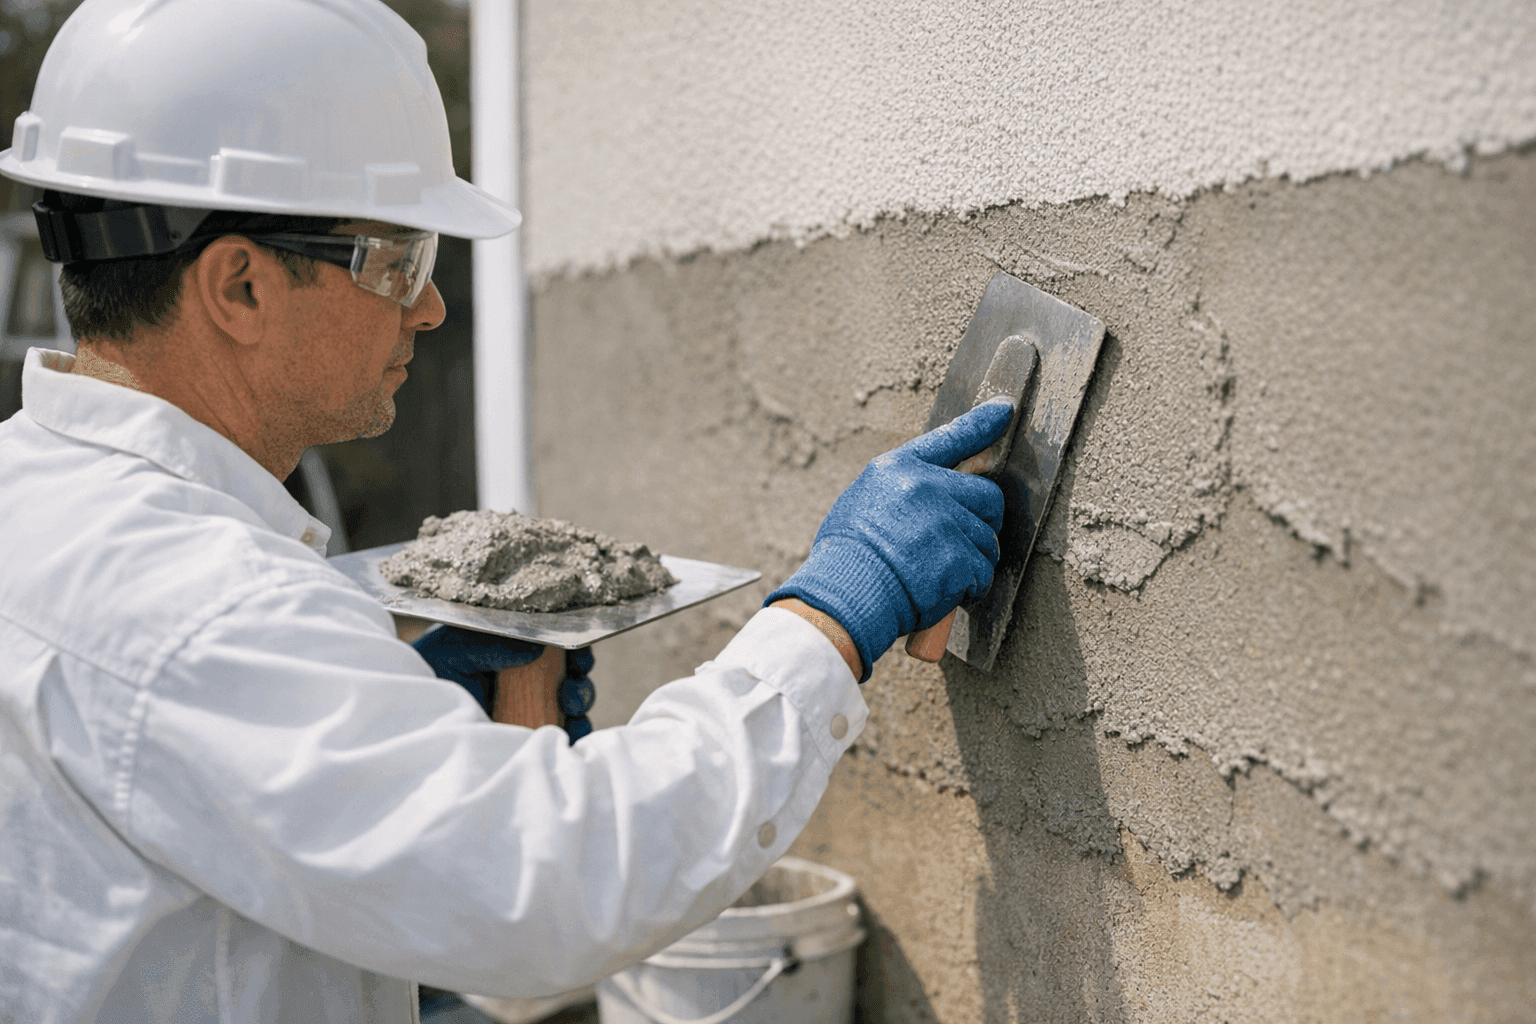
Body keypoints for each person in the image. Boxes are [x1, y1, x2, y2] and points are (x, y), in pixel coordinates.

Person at [0, 2, 1014, 1022]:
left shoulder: (35, 497)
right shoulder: (205, 608)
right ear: (240, 285)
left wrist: (383, 738)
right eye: (397, 259)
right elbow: (559, 878)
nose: (429, 306)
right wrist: (838, 608)